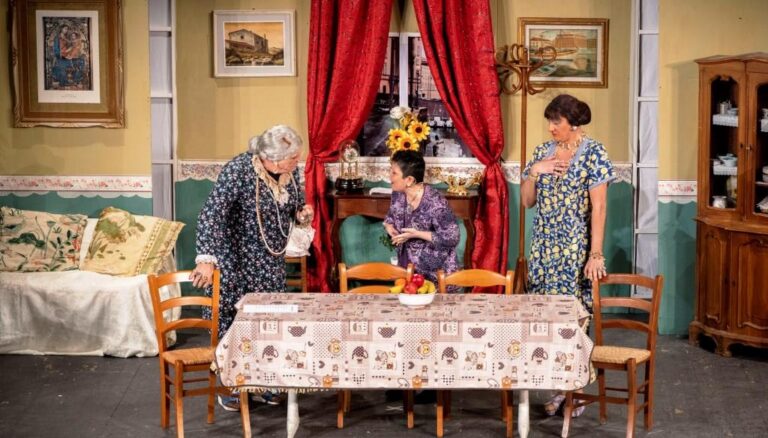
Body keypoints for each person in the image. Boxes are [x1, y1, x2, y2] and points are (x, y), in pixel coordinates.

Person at [191, 124, 313, 411]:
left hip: (269, 261)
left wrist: (301, 213)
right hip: (236, 260)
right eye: (292, 158)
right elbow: (211, 215)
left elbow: (293, 203)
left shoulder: (289, 171)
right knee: (234, 323)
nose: (297, 162)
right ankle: (232, 385)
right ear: (271, 159)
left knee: (269, 322)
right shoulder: (239, 171)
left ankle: (265, 382)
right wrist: (206, 259)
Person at [521, 94, 615, 418]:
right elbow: (527, 201)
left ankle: (573, 391)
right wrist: (536, 171)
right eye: (549, 121)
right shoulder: (541, 152)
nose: (550, 128)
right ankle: (557, 389)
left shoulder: (594, 153)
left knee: (572, 322)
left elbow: (599, 208)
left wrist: (595, 253)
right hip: (542, 248)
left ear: (574, 123)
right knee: (544, 322)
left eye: (556, 122)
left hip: (573, 251)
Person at [383, 149, 460, 289]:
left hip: (436, 277)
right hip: (407, 270)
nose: (389, 176)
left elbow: (452, 238)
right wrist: (389, 227)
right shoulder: (397, 194)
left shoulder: (436, 202)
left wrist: (417, 234)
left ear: (409, 180)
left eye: (394, 173)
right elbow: (391, 217)